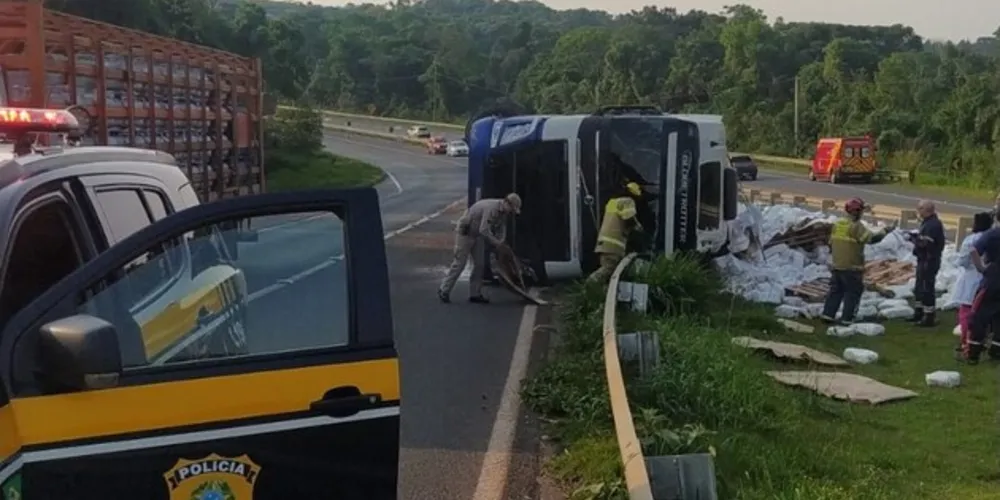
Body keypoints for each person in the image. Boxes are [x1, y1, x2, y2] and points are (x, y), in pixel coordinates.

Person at [438, 193, 522, 304]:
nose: (511, 212)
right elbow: (484, 229)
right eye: (511, 209)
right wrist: (496, 243)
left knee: (480, 264)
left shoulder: (503, 212)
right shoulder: (491, 208)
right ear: (507, 203)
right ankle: (444, 289)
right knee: (460, 263)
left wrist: (501, 242)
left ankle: (475, 293)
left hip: (477, 235)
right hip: (466, 233)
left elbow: (502, 228)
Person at [821, 198, 893, 325]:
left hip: (837, 265)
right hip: (852, 267)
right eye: (861, 211)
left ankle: (828, 315)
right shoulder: (856, 226)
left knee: (835, 291)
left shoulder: (838, 224)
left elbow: (831, 243)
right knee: (852, 293)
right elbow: (872, 239)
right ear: (857, 212)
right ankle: (847, 319)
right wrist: (886, 231)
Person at [587, 182, 645, 283]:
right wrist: (639, 229)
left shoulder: (613, 201)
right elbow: (629, 218)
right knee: (608, 269)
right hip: (614, 245)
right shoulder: (627, 201)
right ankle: (589, 284)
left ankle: (597, 291)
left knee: (608, 273)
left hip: (604, 243)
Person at [953, 212, 992, 358]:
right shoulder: (992, 236)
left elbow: (963, 260)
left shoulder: (971, 240)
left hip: (971, 278)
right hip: (988, 278)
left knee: (966, 311)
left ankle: (965, 342)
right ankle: (981, 341)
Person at [965, 210, 1000, 363]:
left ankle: (973, 351)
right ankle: (996, 350)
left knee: (979, 314)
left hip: (993, 277)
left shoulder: (993, 234)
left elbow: (973, 250)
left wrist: (981, 268)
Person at [905, 200, 946, 326]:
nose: (918, 211)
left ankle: (929, 317)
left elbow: (926, 244)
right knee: (919, 287)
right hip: (923, 259)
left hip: (929, 260)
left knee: (926, 288)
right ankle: (919, 312)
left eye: (920, 209)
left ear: (927, 210)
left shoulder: (933, 225)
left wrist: (913, 239)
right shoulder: (928, 223)